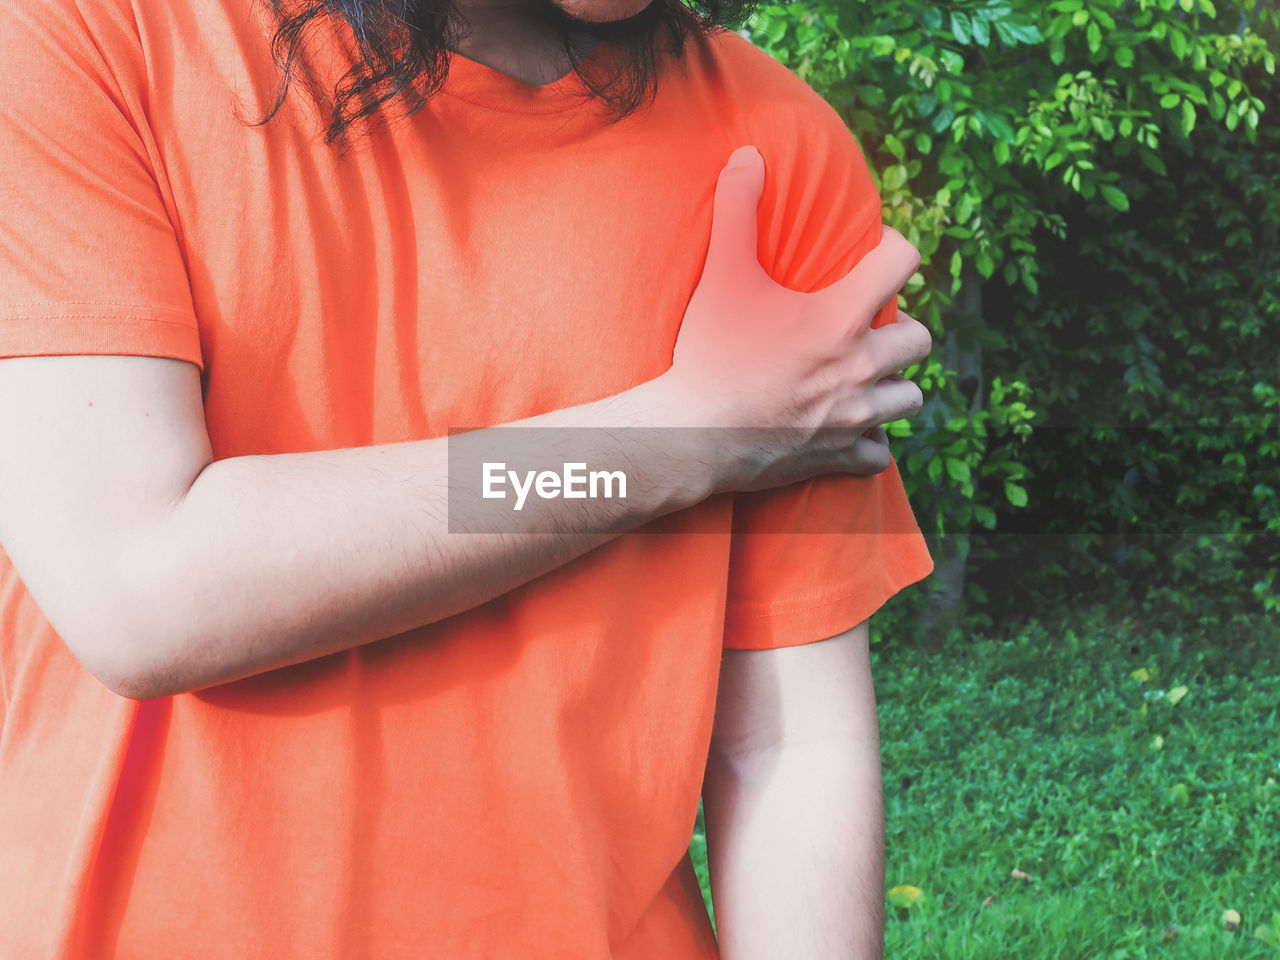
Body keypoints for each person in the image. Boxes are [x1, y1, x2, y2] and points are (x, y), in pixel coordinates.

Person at [0, 0, 934, 956]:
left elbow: (786, 745)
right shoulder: (83, 34)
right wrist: (678, 442)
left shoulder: (774, 148)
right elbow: (138, 590)